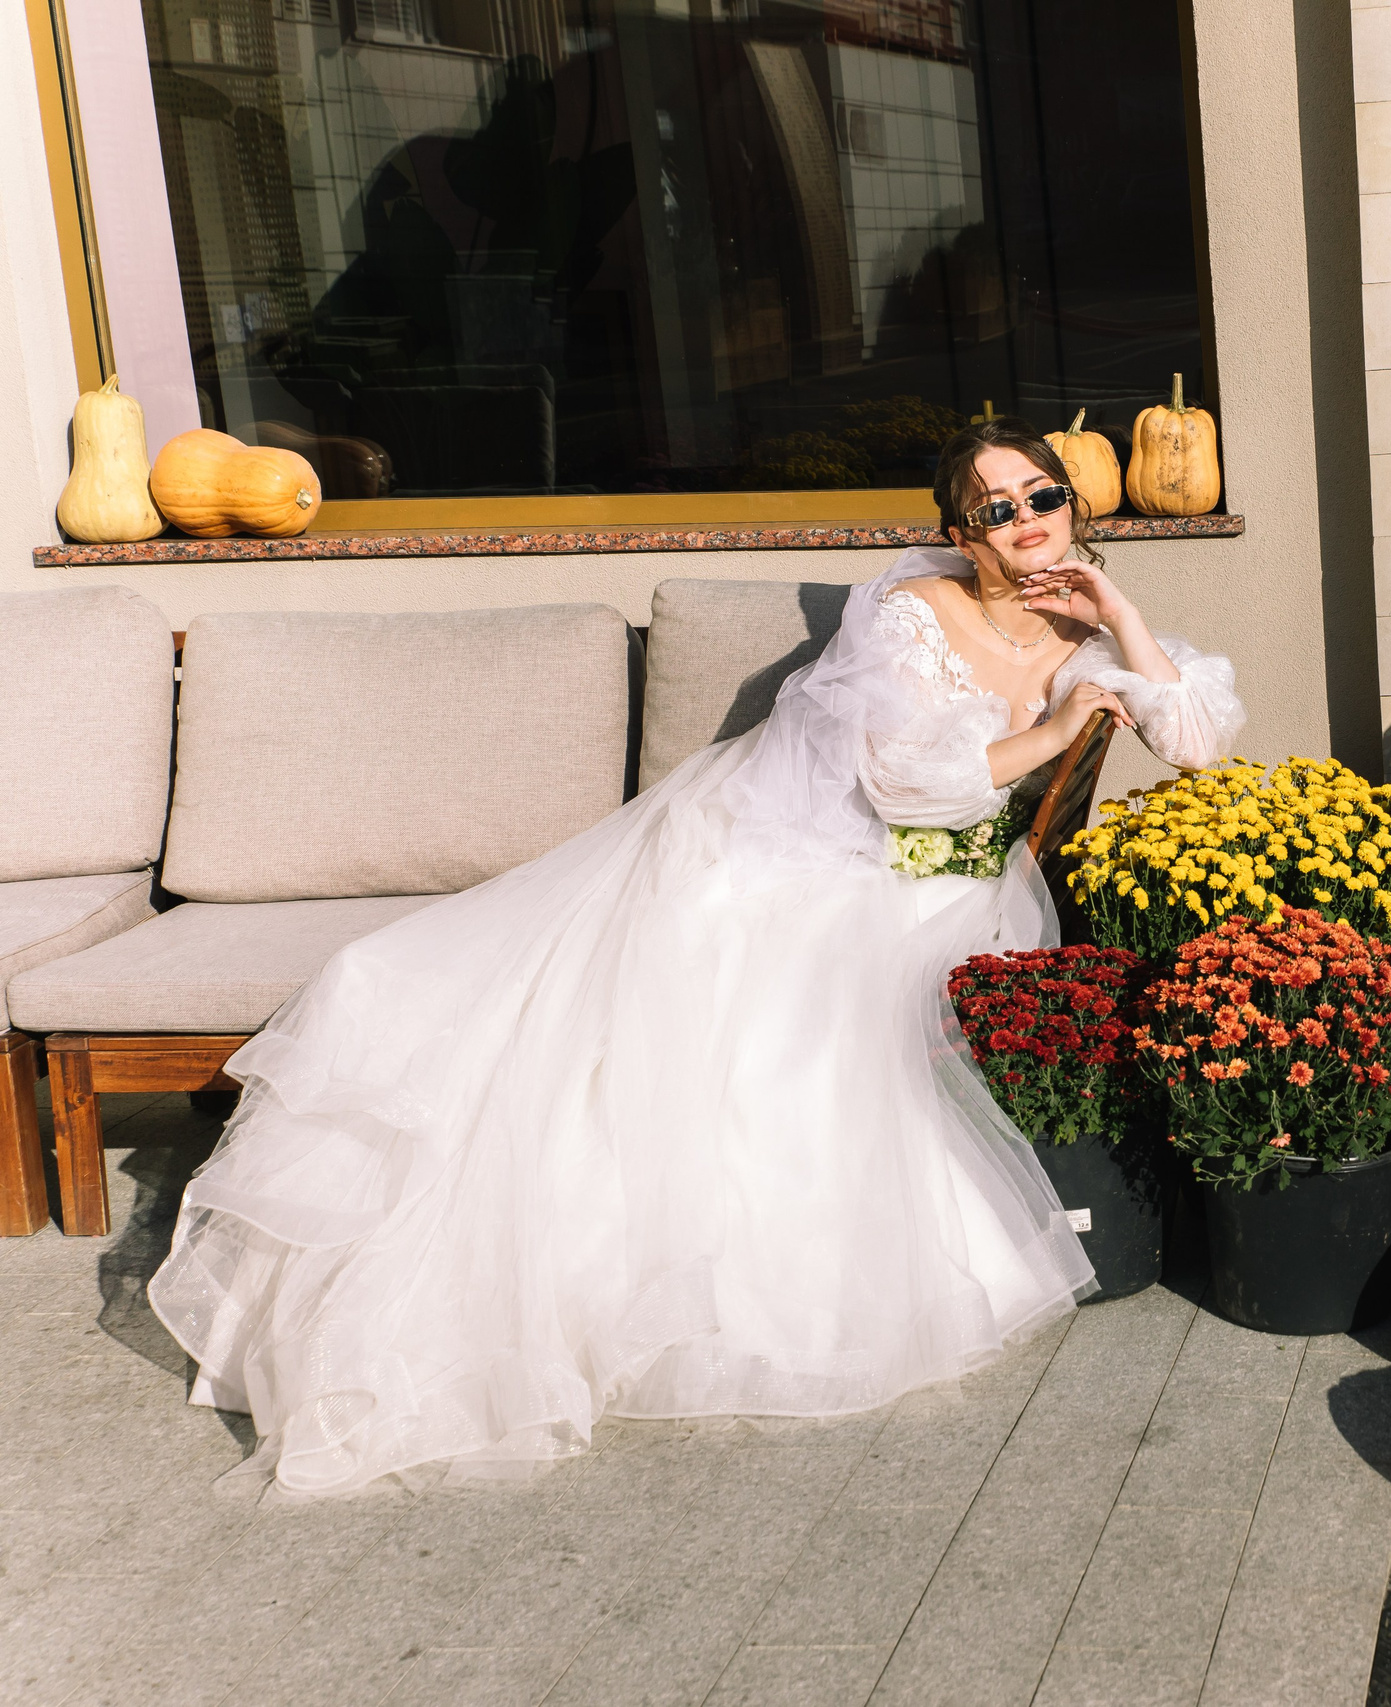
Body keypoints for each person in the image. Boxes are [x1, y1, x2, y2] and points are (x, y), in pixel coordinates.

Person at [147, 419, 1245, 1495]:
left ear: (1073, 503)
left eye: (1041, 500)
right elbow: (898, 781)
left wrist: (1120, 614)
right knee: (664, 975)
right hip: (810, 843)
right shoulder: (910, 612)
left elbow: (1197, 738)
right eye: (996, 511)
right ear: (963, 534)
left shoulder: (1094, 624)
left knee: (795, 1003)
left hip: (958, 887)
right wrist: (1050, 734)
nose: (1026, 525)